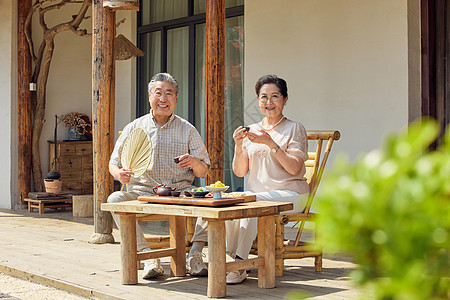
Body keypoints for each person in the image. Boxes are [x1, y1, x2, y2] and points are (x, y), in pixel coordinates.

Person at [108, 73, 210, 280]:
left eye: (169, 93)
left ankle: (195, 254)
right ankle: (147, 256)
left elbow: (204, 172)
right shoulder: (134, 127)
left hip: (181, 192)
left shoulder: (187, 129)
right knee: (114, 199)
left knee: (213, 198)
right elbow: (113, 164)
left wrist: (194, 162)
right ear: (149, 96)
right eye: (158, 93)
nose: (163, 99)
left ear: (177, 98)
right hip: (142, 191)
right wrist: (120, 174)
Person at [229, 74, 310, 284]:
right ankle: (229, 261)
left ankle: (239, 264)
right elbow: (240, 171)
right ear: (258, 100)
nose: (269, 102)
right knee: (231, 202)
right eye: (264, 97)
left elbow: (294, 168)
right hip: (260, 196)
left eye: (275, 96)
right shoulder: (252, 129)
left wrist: (270, 142)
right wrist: (238, 146)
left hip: (292, 196)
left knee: (252, 202)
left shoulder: (295, 128)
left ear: (285, 99)